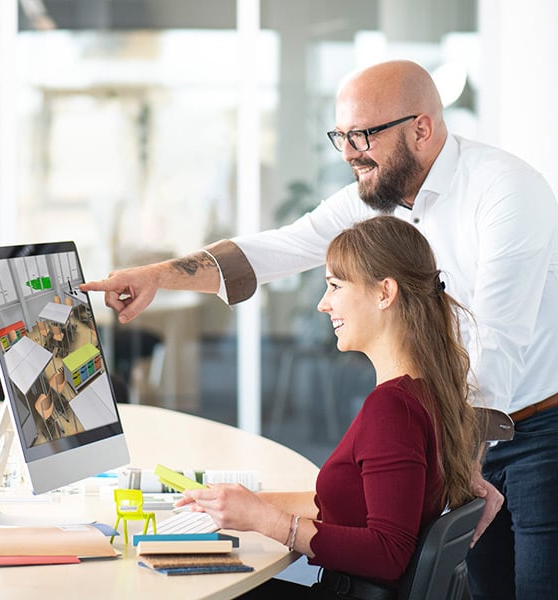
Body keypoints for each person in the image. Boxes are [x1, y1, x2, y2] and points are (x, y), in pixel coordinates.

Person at [81, 59, 558, 599]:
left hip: (537, 427)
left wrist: (457, 455)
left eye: (362, 134)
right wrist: (156, 276)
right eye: (341, 136)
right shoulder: (380, 190)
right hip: (459, 428)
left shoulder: (506, 192)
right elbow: (284, 245)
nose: (350, 152)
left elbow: (496, 341)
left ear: (420, 128)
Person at [178, 216, 480, 599]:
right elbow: (347, 504)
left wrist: (270, 522)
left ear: (385, 292)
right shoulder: (425, 391)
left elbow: (389, 553)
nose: (324, 304)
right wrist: (240, 505)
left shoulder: (392, 409)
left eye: (335, 286)